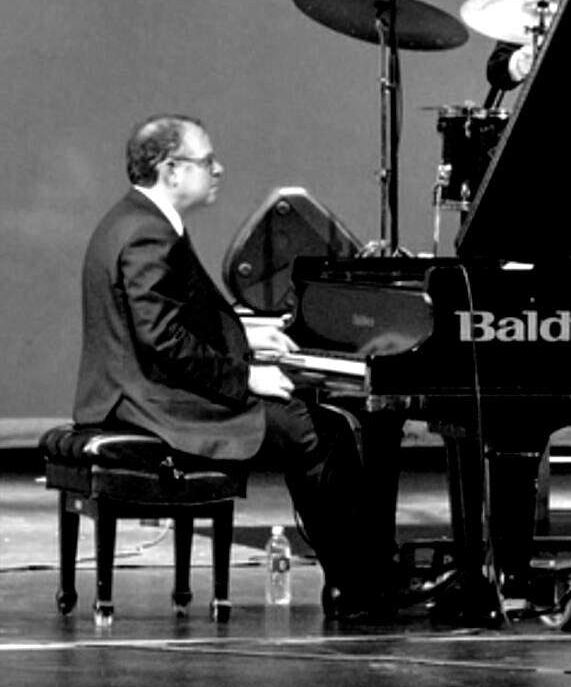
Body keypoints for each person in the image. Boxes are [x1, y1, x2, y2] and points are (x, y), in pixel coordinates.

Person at [74, 116, 398, 613]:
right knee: (316, 430)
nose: (218, 169)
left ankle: (362, 576)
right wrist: (247, 377)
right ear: (172, 170)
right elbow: (163, 339)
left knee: (318, 424)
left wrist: (246, 334)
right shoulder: (147, 234)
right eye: (207, 162)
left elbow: (173, 320)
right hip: (149, 404)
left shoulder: (134, 219)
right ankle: (360, 586)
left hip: (138, 392)